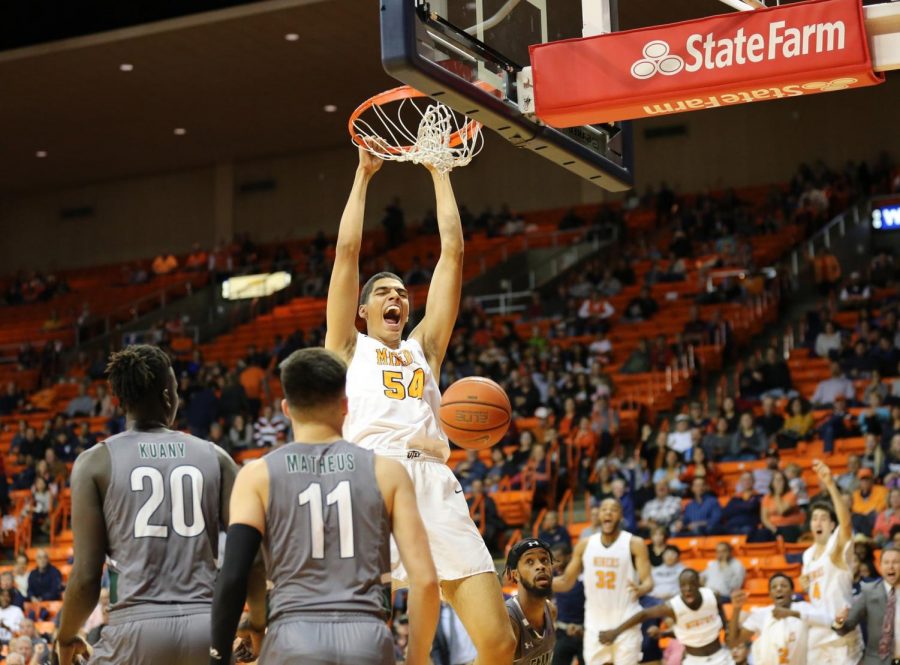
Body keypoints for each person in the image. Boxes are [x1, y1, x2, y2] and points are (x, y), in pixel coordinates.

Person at [324, 145, 514, 662]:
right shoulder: (346, 346)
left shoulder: (423, 348)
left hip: (433, 483)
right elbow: (346, 255)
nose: (396, 298)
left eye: (403, 293)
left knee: (499, 642)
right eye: (383, 292)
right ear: (362, 311)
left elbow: (452, 251)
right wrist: (363, 176)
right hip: (369, 485)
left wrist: (439, 171)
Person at [209, 348, 439, 665]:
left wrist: (217, 655)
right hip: (366, 639)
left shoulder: (256, 475)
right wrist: (416, 658)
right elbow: (425, 580)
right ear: (345, 406)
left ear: (286, 408)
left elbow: (234, 576)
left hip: (292, 638)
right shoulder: (387, 472)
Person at [56, 345, 243, 665]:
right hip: (207, 626)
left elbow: (87, 576)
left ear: (119, 400)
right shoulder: (217, 457)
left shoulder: (93, 463)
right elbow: (248, 555)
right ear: (168, 396)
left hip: (136, 629)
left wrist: (67, 634)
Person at [553, 497, 653, 665]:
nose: (608, 512)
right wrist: (533, 582)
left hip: (626, 622)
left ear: (620, 515)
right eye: (604, 509)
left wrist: (642, 589)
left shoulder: (635, 543)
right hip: (594, 625)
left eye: (613, 509)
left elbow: (648, 582)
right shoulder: (585, 545)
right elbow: (566, 582)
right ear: (598, 515)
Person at [598, 569, 733, 665]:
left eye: (692, 584)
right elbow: (643, 614)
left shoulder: (712, 596)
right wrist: (615, 632)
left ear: (699, 584)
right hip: (693, 660)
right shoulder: (673, 607)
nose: (688, 588)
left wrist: (726, 627)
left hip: (721, 657)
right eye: (683, 586)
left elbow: (719, 612)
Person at [801, 459, 863, 665]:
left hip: (841, 632)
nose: (817, 522)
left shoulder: (835, 548)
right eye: (814, 518)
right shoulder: (807, 555)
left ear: (831, 526)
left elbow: (846, 522)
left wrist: (829, 484)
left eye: (823, 518)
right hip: (818, 633)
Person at [729, 575, 832, 665]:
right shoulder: (762, 614)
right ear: (770, 594)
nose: (779, 589)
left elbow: (829, 621)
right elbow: (734, 642)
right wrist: (736, 609)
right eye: (774, 587)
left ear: (792, 592)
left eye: (784, 586)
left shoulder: (803, 608)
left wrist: (792, 614)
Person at [833, 546, 900, 665]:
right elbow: (846, 627)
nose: (890, 566)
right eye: (886, 562)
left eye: (895, 562)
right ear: (880, 566)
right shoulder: (868, 592)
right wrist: (839, 620)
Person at [505, 539, 556, 665]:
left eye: (545, 560)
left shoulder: (551, 610)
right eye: (529, 561)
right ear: (515, 574)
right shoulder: (508, 623)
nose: (540, 566)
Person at [551, 542, 585, 665]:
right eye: (553, 560)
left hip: (585, 633)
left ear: (569, 556)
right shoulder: (553, 576)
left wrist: (582, 629)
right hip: (563, 632)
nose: (555, 563)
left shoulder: (585, 576)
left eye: (558, 558)